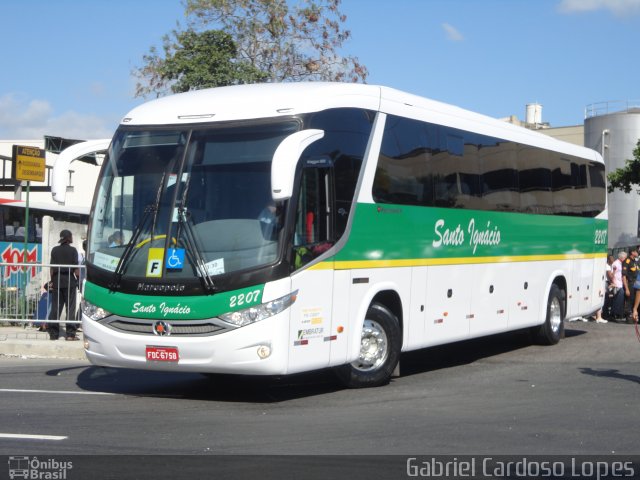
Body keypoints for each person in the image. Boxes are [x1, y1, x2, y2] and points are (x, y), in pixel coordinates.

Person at [47, 229, 80, 341]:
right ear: (69, 238)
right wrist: (79, 281)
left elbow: (51, 269)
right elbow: (76, 269)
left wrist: (52, 281)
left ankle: (53, 334)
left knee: (56, 308)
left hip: (57, 281)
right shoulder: (73, 251)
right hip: (70, 282)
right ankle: (70, 334)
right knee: (70, 308)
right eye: (71, 236)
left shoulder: (54, 250)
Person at [622, 249, 639, 323]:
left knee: (636, 300)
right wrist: (626, 288)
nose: (637, 253)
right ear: (632, 252)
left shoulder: (635, 262)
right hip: (630, 284)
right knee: (630, 301)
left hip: (637, 284)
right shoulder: (627, 261)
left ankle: (635, 316)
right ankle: (629, 316)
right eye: (636, 251)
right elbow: (624, 276)